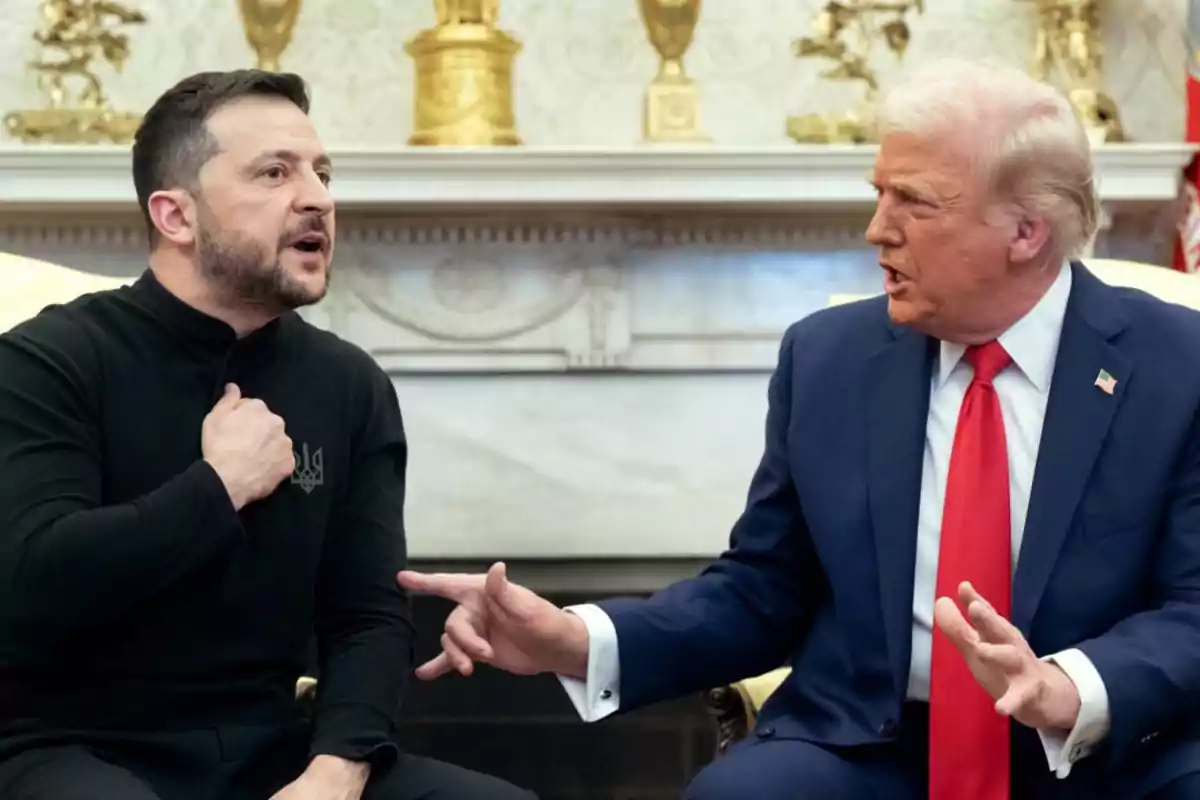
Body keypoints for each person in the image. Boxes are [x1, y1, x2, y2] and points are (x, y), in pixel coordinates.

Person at [398, 57, 1200, 799]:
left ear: (1025, 232)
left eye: (914, 202)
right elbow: (761, 591)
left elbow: (1193, 606)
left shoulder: (1176, 365)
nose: (877, 229)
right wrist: (575, 638)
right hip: (874, 742)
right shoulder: (832, 358)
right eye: (878, 193)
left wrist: (1072, 687)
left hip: (1105, 741)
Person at [0, 70, 534, 800]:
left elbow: (368, 616)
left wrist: (337, 769)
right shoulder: (49, 360)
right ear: (175, 216)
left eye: (322, 172)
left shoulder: (349, 385)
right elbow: (32, 585)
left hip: (272, 752)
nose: (317, 197)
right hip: (73, 750)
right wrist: (216, 489)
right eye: (274, 173)